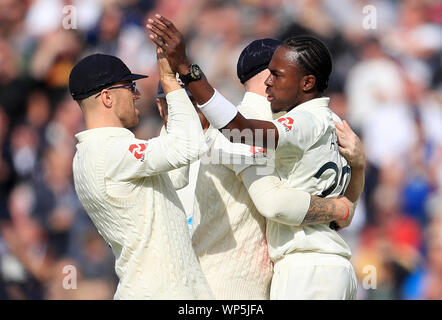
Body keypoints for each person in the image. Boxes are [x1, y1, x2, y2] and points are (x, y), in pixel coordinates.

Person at [146, 15, 365, 299]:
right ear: (265, 75)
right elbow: (344, 211)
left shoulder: (294, 123)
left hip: (286, 274)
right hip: (246, 284)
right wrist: (354, 179)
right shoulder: (331, 122)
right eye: (272, 73)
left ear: (304, 80)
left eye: (281, 73)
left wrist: (187, 69)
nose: (273, 81)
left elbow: (273, 200)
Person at [69, 51, 213, 299]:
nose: (137, 95)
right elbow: (189, 147)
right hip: (158, 291)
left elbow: (175, 178)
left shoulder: (95, 152)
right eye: (130, 87)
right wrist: (169, 81)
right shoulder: (108, 150)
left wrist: (174, 108)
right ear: (107, 97)